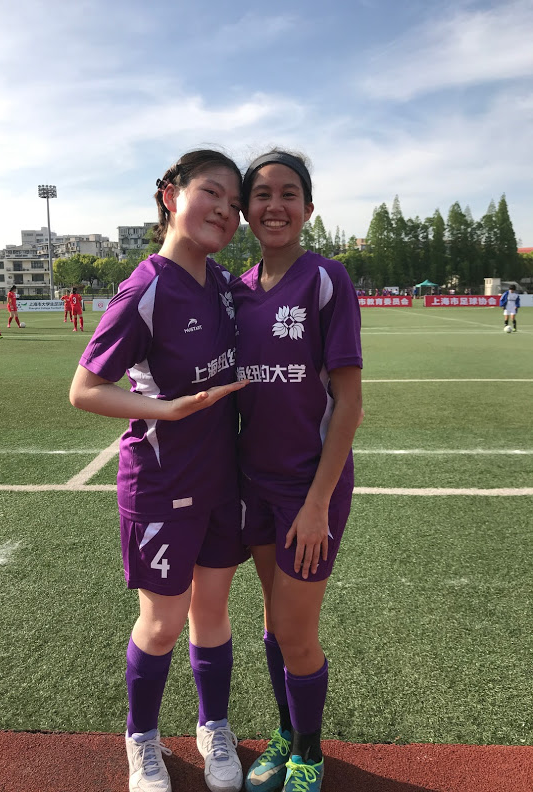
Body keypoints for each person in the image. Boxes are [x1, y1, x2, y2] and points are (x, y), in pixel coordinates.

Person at [69, 149, 249, 792]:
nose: (226, 211)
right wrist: (164, 408)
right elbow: (85, 389)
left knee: (213, 614)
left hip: (223, 480)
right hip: (161, 481)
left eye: (234, 203)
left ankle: (213, 726)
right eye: (212, 193)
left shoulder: (228, 288)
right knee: (164, 620)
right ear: (171, 195)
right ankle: (141, 739)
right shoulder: (145, 288)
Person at [232, 150, 363, 792]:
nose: (274, 205)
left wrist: (317, 503)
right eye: (261, 194)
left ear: (308, 209)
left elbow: (348, 400)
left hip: (310, 488)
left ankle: (308, 751)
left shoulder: (326, 279)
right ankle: (285, 734)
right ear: (245, 210)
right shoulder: (235, 293)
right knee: (271, 622)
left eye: (289, 194)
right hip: (252, 486)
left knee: (295, 628)